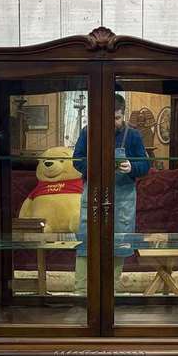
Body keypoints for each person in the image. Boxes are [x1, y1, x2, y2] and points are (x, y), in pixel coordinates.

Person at [72, 93, 150, 295]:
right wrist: (93, 167)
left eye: (116, 118)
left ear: (123, 115)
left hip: (123, 197)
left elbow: (145, 165)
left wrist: (132, 167)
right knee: (86, 241)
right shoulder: (87, 132)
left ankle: (111, 293)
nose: (112, 123)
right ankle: (81, 291)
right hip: (94, 194)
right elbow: (77, 160)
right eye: (108, 118)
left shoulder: (133, 136)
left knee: (119, 241)